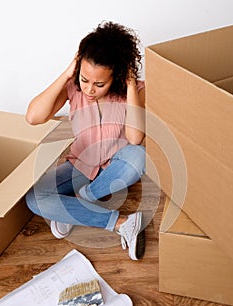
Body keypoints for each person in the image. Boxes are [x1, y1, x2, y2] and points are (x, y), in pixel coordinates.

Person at [25, 21, 146, 260]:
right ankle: (122, 222)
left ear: (117, 77)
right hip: (80, 164)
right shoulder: (73, 86)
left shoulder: (135, 90)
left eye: (99, 84)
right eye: (85, 79)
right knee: (34, 198)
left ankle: (82, 200)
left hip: (116, 167)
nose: (89, 89)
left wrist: (131, 83)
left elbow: (135, 137)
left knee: (139, 156)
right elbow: (33, 117)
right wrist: (69, 73)